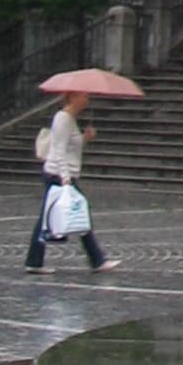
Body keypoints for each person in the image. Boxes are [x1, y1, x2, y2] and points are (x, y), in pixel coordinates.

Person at [23, 90, 119, 273]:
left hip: (61, 174)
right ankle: (96, 260)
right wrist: (66, 178)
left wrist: (85, 138)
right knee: (78, 213)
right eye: (84, 96)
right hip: (59, 176)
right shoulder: (63, 119)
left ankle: (35, 261)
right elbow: (58, 150)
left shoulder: (69, 119)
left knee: (49, 218)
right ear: (72, 96)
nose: (87, 100)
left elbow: (70, 147)